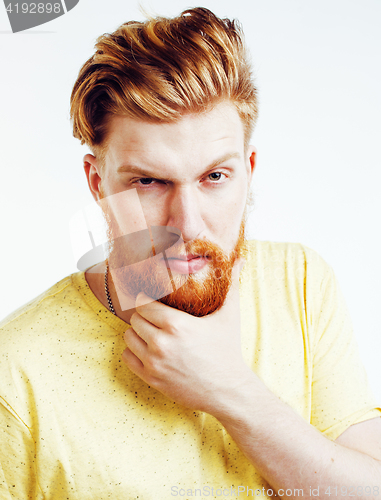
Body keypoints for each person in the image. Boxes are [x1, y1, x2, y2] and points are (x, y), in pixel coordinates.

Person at [1, 7, 380, 500]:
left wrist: (230, 391)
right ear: (97, 183)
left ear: (248, 169)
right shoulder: (18, 371)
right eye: (149, 182)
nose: (189, 224)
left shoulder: (301, 283)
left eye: (214, 177)